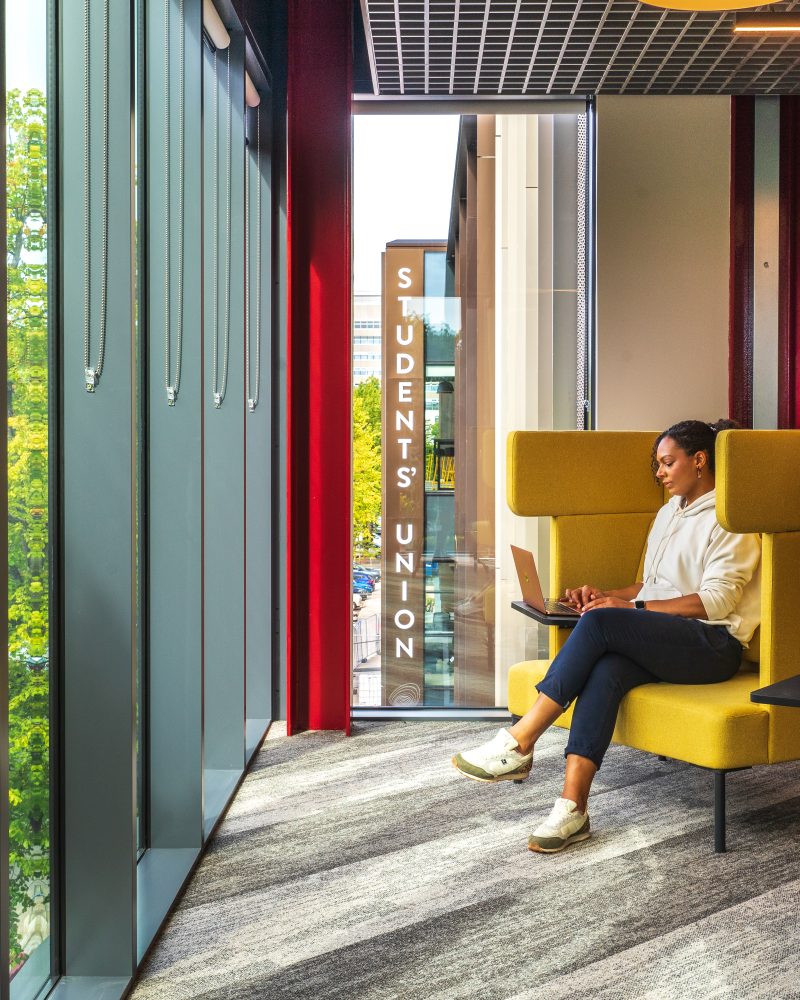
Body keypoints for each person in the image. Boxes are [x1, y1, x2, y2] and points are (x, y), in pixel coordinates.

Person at [451, 419, 761, 854]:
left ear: (700, 460)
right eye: (658, 464)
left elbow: (716, 601)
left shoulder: (734, 517)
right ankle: (572, 807)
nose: (660, 473)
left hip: (713, 645)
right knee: (607, 669)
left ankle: (520, 741)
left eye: (667, 463)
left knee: (598, 625)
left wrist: (624, 612)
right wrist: (606, 595)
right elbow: (651, 587)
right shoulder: (669, 512)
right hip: (668, 636)